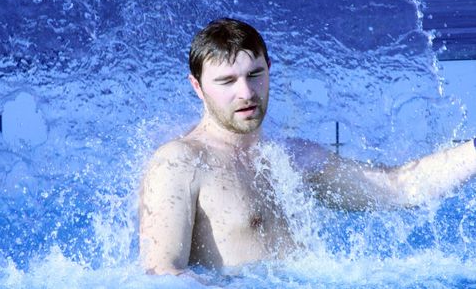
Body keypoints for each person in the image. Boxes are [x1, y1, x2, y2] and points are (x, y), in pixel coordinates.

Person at [138, 18, 476, 276]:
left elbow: (399, 188)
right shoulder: (180, 163)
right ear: (197, 87)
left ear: (269, 70)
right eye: (226, 81)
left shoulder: (292, 159)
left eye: (254, 75)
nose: (246, 92)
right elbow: (162, 274)